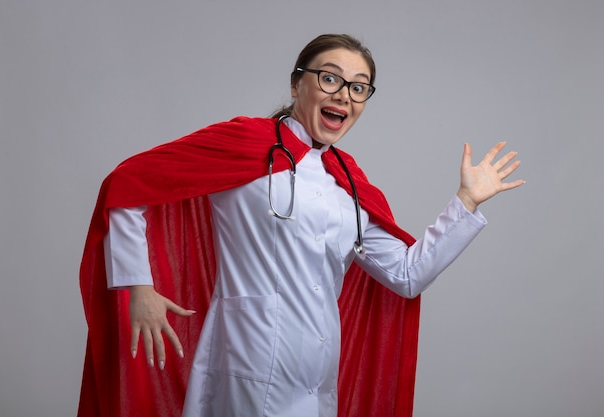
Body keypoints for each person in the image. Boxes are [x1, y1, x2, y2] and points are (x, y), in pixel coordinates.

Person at [77, 34, 524, 417]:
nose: (345, 95)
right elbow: (128, 184)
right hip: (244, 365)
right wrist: (140, 284)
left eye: (359, 87)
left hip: (318, 376)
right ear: (297, 84)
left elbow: (407, 276)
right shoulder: (244, 144)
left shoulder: (348, 183)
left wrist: (466, 201)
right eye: (331, 78)